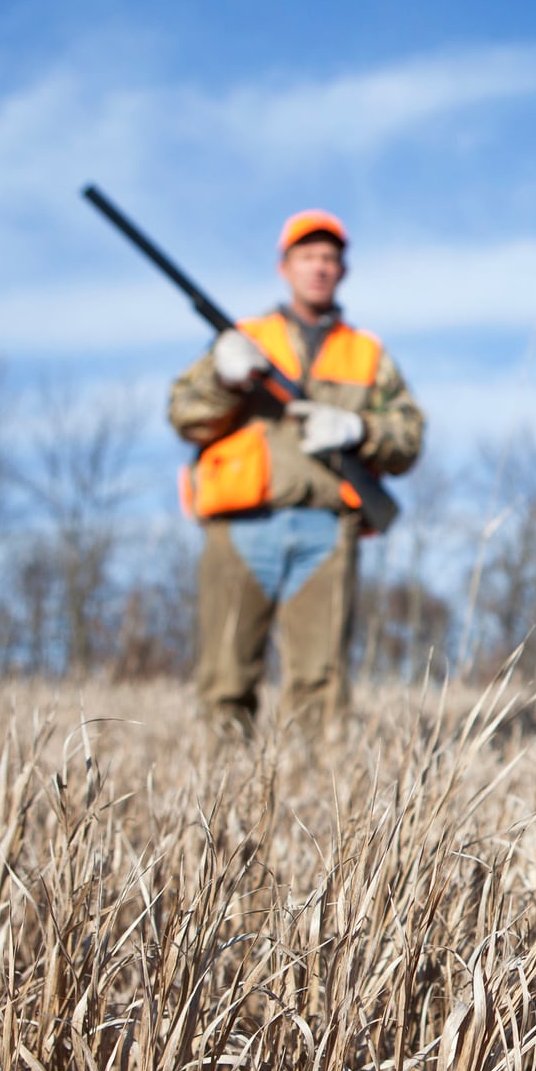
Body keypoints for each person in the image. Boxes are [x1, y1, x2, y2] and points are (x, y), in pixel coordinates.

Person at [169, 209, 424, 738]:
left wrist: (358, 430)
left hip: (326, 529)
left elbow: (409, 438)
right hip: (241, 525)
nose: (319, 268)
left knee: (320, 685)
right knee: (225, 676)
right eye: (308, 257)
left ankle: (317, 806)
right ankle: (219, 801)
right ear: (284, 267)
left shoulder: (367, 352)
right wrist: (223, 378)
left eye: (330, 258)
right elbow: (184, 414)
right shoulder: (243, 338)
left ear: (342, 271)